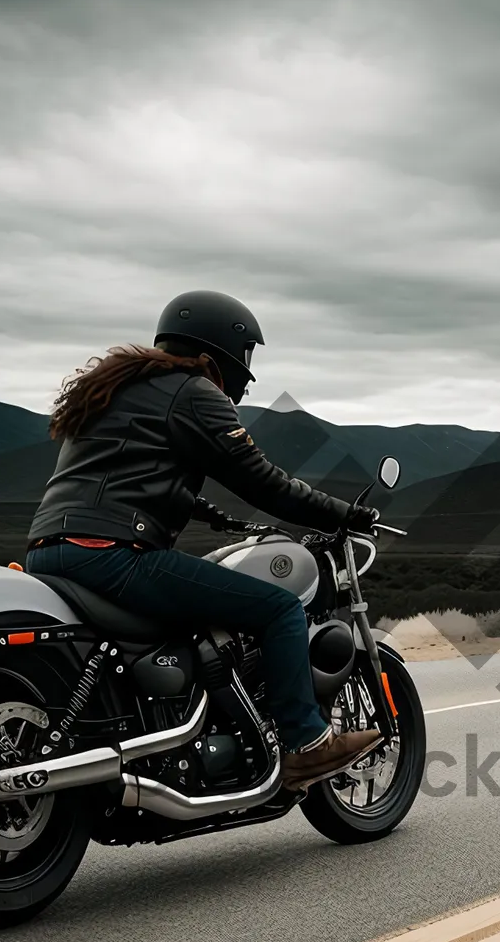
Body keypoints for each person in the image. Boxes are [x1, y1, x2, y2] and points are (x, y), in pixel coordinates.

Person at [25, 290, 381, 788]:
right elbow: (264, 482)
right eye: (246, 359)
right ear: (218, 355)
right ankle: (304, 743)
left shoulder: (118, 392)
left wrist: (210, 515)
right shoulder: (192, 389)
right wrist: (347, 514)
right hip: (114, 555)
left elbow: (126, 474)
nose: (246, 377)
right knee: (279, 609)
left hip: (50, 552)